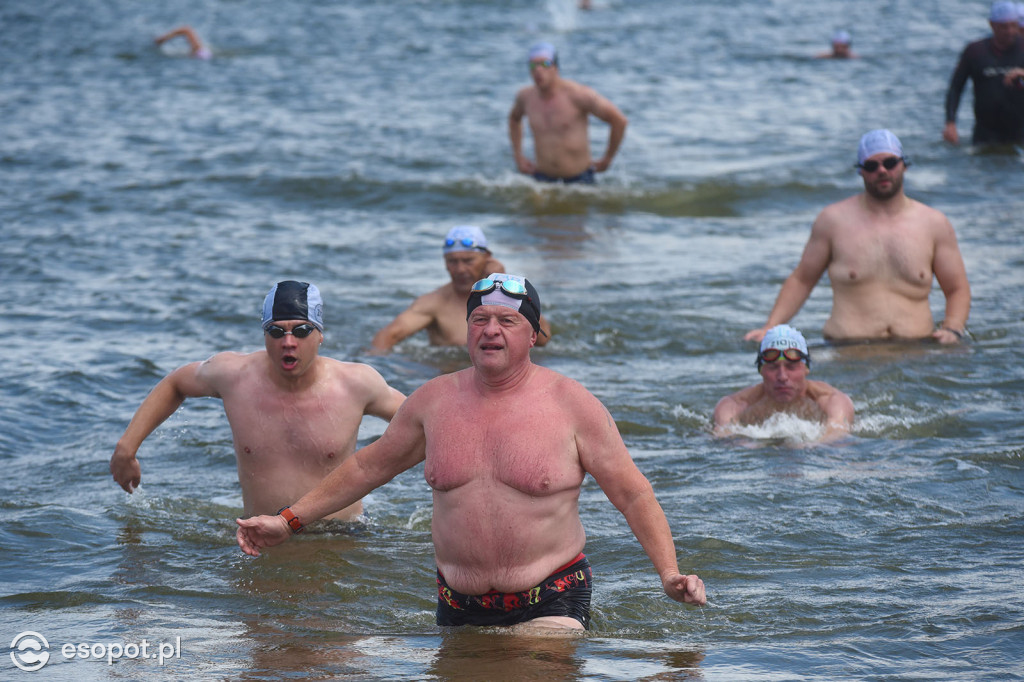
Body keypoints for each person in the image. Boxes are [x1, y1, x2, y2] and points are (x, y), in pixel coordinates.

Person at [238, 274, 706, 630]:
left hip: (552, 598)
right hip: (457, 606)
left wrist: (668, 573)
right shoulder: (433, 402)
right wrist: (287, 520)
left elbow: (632, 494)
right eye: (479, 320)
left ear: (534, 334)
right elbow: (367, 467)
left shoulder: (573, 405)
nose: (491, 330)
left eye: (508, 321)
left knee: (529, 668)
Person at [110, 281, 406, 522]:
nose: (288, 342)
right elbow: (176, 383)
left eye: (301, 331)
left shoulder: (356, 384)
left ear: (320, 336)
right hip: (260, 535)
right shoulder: (234, 376)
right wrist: (126, 449)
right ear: (264, 335)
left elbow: (422, 419)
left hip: (341, 535)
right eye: (276, 331)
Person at [745, 130, 970, 345]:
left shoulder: (933, 223)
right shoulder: (833, 221)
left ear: (904, 165)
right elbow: (802, 279)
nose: (882, 171)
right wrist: (771, 327)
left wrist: (952, 328)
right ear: (860, 171)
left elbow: (957, 287)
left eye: (890, 163)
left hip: (915, 350)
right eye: (872, 166)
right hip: (849, 351)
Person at [371, 226, 550, 352]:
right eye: (452, 261)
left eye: (468, 261)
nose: (460, 269)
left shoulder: (512, 294)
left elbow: (542, 339)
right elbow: (388, 336)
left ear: (487, 258)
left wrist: (502, 282)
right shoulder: (434, 303)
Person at [508, 42, 628, 184]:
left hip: (579, 180)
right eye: (533, 65)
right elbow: (514, 119)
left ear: (556, 67)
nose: (538, 70)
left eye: (545, 64)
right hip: (541, 179)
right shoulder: (525, 97)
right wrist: (518, 156)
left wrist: (608, 159)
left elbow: (619, 120)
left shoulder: (579, 95)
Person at [714, 325, 855, 442]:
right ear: (761, 370)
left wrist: (805, 448)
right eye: (773, 367)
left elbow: (837, 436)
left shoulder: (833, 400)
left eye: (791, 367)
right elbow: (726, 439)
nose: (782, 376)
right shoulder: (734, 405)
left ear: (806, 368)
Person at [943, 1, 1024, 146]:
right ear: (992, 24)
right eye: (1004, 26)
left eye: (1013, 26)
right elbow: (956, 88)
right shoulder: (975, 51)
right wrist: (950, 122)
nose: (1010, 31)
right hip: (985, 132)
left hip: (1019, 130)